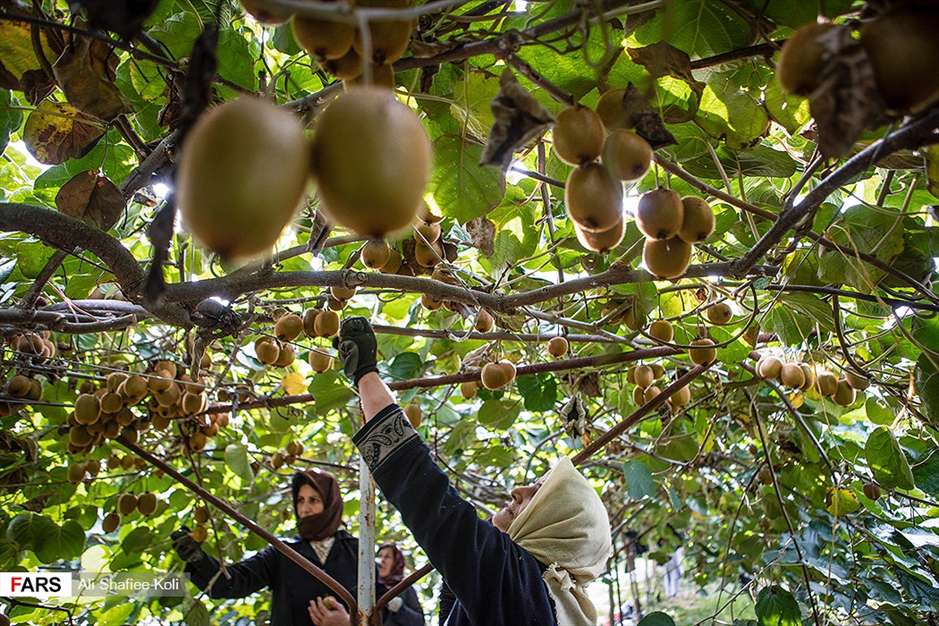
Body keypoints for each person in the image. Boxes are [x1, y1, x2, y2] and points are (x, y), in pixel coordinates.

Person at [308, 317, 613, 626]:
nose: (517, 491)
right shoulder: (553, 601)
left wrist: (365, 374)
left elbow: (428, 498)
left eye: (538, 495)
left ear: (556, 525)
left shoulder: (517, 583)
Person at [172, 468, 378, 625]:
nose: (305, 508)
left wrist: (349, 624)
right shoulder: (284, 552)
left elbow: (387, 614)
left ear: (330, 504)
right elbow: (231, 582)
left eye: (313, 500)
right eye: (300, 500)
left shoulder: (359, 552)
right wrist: (198, 558)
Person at [377, 542, 425, 626]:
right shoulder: (368, 587)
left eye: (387, 557)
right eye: (380, 556)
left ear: (396, 562)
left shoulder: (404, 588)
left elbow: (419, 622)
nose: (382, 560)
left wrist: (400, 609)